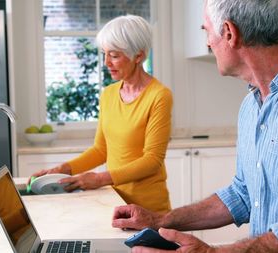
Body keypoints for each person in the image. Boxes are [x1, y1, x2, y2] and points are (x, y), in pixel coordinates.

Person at [111, 0, 278, 252]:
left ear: (230, 33)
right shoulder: (252, 105)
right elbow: (243, 194)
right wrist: (160, 219)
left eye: (207, 31)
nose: (208, 42)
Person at [31, 15, 173, 213]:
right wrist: (63, 169)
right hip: (113, 200)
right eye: (104, 54)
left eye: (114, 55)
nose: (106, 62)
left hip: (148, 207)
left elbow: (152, 161)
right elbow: (101, 150)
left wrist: (98, 179)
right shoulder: (109, 94)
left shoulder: (159, 96)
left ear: (138, 56)